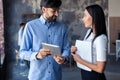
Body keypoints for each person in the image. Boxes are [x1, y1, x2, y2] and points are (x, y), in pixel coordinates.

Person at [19, 0, 70, 80]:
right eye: (53, 11)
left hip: (56, 76)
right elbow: (22, 52)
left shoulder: (62, 27)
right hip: (37, 76)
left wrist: (63, 57)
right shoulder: (30, 26)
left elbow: (66, 48)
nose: (57, 14)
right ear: (44, 10)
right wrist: (37, 55)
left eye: (58, 10)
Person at [71, 4, 108, 80]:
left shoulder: (101, 38)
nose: (83, 19)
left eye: (85, 15)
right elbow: (88, 52)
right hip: (85, 74)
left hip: (95, 76)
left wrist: (80, 61)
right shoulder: (89, 32)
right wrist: (75, 50)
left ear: (94, 17)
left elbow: (100, 69)